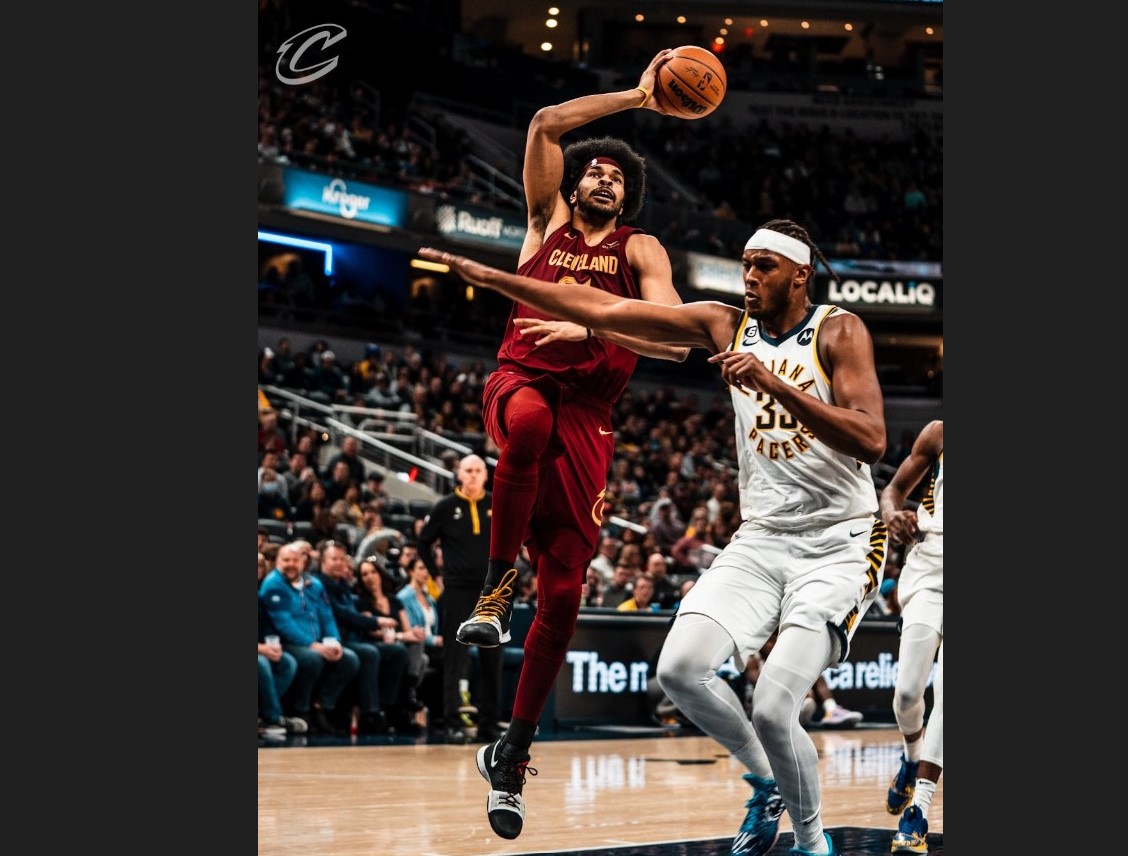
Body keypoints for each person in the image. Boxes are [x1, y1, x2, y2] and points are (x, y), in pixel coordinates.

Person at [419, 215, 889, 856]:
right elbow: (604, 304)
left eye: (764, 267)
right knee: (680, 669)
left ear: (800, 275)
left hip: (841, 538)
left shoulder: (839, 330)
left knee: (778, 707)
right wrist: (500, 279)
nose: (749, 276)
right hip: (763, 535)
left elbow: (872, 438)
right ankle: (766, 783)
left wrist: (772, 381)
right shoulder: (724, 323)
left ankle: (812, 844)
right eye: (745, 264)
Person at [436, 49, 691, 842]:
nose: (607, 177)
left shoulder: (640, 250)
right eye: (598, 169)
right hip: (520, 384)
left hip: (592, 415)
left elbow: (677, 342)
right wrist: (640, 98)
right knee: (531, 425)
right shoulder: (542, 223)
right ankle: (493, 590)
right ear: (572, 182)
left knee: (571, 595)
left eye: (620, 174)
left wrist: (591, 322)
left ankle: (510, 755)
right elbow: (547, 123)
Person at [878, 419, 943, 854]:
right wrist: (892, 517)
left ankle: (918, 811)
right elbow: (892, 492)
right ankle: (908, 755)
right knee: (906, 695)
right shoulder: (938, 433)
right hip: (929, 573)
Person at [414, 454, 506, 744]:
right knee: (455, 658)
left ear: (485, 475)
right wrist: (436, 576)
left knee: (494, 658)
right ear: (459, 474)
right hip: (456, 588)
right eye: (468, 470)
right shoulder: (445, 507)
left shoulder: (497, 503)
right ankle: (452, 722)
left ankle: (488, 725)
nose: (473, 475)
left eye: (478, 470)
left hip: (492, 590)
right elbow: (423, 542)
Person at [259, 542, 361, 735]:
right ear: (277, 562)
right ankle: (301, 709)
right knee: (311, 659)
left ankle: (322, 706)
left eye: (294, 560)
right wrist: (313, 645)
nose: (290, 564)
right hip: (289, 643)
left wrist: (334, 641)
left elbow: (326, 615)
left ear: (303, 562)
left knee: (349, 659)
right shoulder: (272, 584)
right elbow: (283, 624)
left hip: (317, 642)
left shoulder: (314, 584)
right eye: (285, 560)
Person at [314, 540, 410, 736]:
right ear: (323, 562)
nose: (340, 563)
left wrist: (368, 621)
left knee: (398, 652)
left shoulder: (342, 584)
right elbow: (339, 614)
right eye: (334, 559)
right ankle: (370, 712)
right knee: (369, 653)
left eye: (342, 559)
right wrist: (374, 621)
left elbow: (352, 612)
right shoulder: (319, 584)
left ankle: (386, 706)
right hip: (336, 639)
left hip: (354, 637)